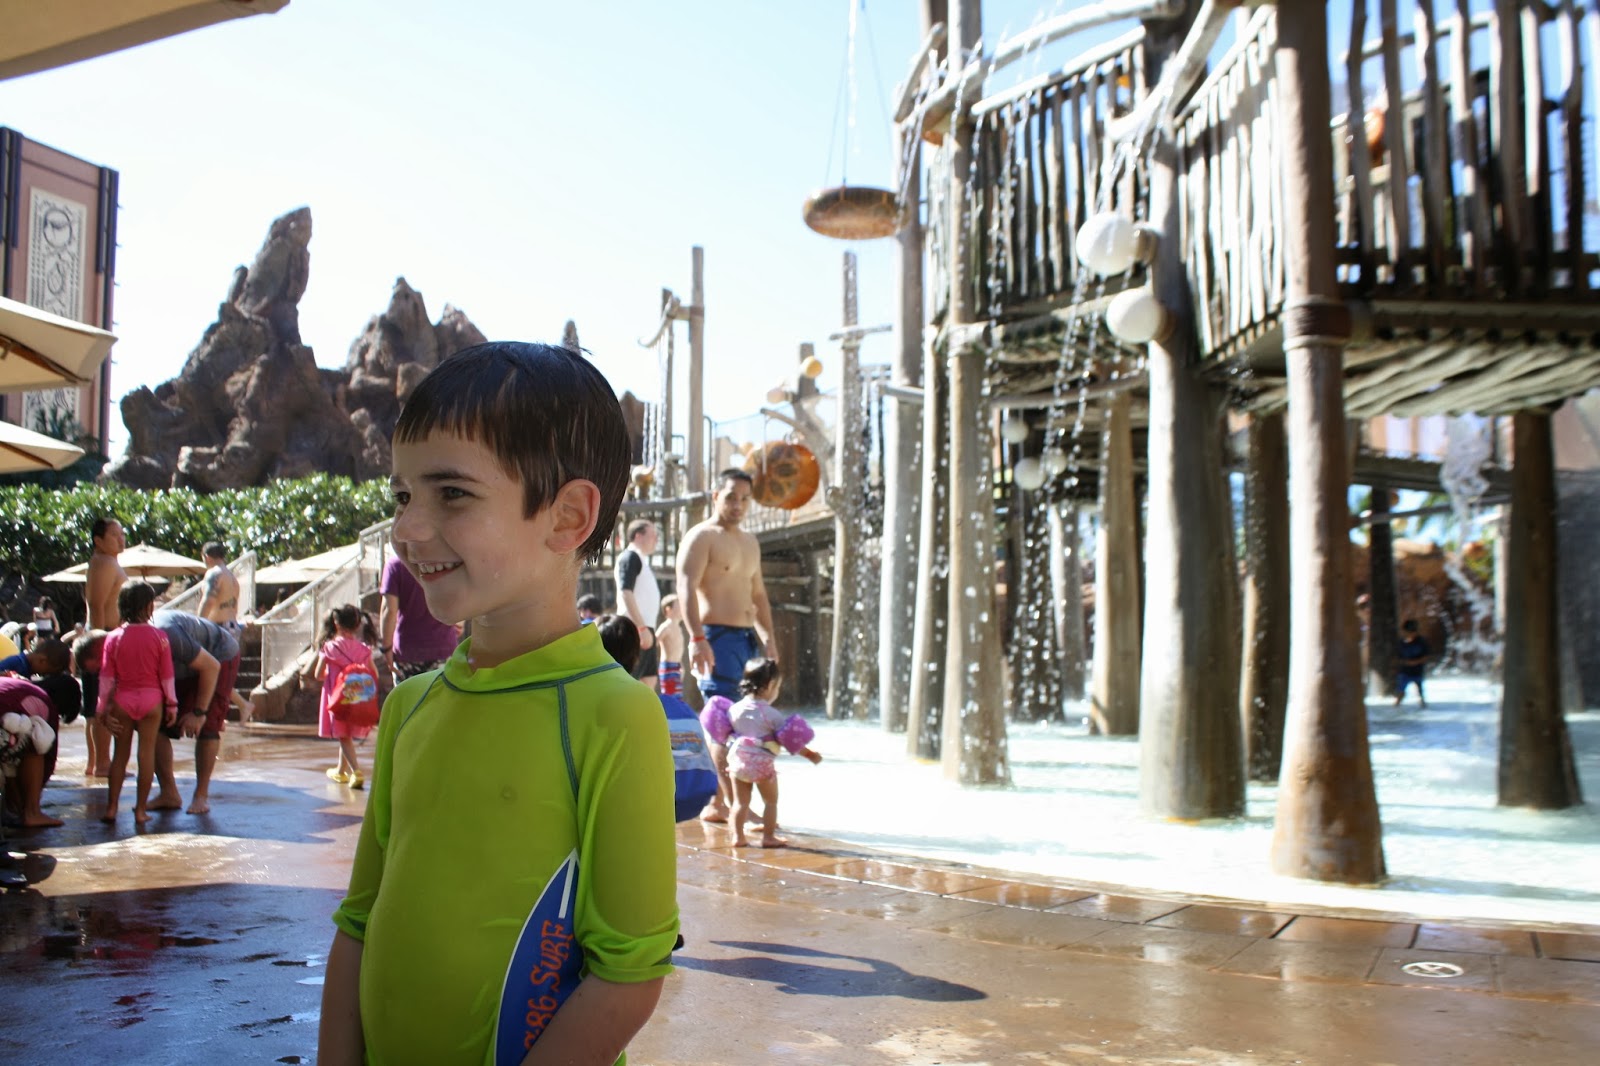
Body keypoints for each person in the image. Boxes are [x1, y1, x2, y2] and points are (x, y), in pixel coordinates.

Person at [319, 341, 678, 1066]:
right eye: (402, 495)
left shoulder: (614, 715)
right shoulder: (409, 707)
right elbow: (359, 921)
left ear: (567, 516)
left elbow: (628, 973)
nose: (407, 528)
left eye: (451, 493)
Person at [676, 468, 777, 822]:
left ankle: (726, 803)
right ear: (716, 495)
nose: (738, 505)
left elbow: (759, 595)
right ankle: (729, 804)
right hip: (715, 637)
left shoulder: (750, 542)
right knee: (722, 722)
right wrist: (696, 638)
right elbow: (686, 587)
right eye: (732, 497)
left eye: (745, 499)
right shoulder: (701, 537)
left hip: (747, 640)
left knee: (748, 721)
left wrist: (769, 640)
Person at [96, 581, 178, 825]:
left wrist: (102, 708)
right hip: (152, 701)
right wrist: (172, 704)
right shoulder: (160, 637)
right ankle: (141, 810)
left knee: (120, 755)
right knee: (146, 754)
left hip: (123, 699)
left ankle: (112, 808)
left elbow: (107, 678)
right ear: (149, 606)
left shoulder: (113, 638)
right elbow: (167, 676)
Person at [719, 658, 820, 849]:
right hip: (761, 764)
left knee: (740, 803)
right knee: (771, 802)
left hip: (738, 760)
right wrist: (810, 755)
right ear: (770, 685)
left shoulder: (734, 709)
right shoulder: (772, 715)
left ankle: (738, 837)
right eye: (777, 687)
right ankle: (768, 837)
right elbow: (790, 741)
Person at [83, 516, 127, 779]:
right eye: (114, 535)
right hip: (104, 637)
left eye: (122, 534)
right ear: (98, 540)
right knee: (104, 704)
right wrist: (101, 643)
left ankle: (96, 762)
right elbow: (96, 605)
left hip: (105, 637)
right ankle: (102, 763)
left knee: (97, 706)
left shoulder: (106, 561)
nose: (121, 539)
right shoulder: (103, 562)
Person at [315, 604, 378, 788]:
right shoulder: (363, 649)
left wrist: (330, 676)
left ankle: (356, 772)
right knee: (346, 734)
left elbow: (318, 674)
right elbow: (373, 673)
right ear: (357, 624)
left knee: (343, 736)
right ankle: (340, 770)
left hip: (338, 699)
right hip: (357, 698)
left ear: (336, 623)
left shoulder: (330, 647)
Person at [378, 551, 459, 682]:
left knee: (408, 694)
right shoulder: (446, 562)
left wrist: (386, 649)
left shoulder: (395, 565)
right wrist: (459, 622)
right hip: (444, 648)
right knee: (440, 694)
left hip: (407, 652)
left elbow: (389, 610)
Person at [614, 519, 661, 690]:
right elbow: (626, 592)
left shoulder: (641, 559)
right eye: (653, 535)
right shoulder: (630, 556)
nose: (656, 539)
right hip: (634, 629)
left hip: (646, 628)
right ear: (638, 536)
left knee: (649, 681)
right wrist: (641, 628)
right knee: (629, 683)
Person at [654, 594, 687, 697]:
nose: (682, 609)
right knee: (670, 697)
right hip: (668, 667)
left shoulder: (679, 628)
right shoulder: (665, 627)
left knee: (677, 696)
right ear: (668, 610)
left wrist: (681, 665)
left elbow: (678, 650)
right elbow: (654, 642)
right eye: (679, 606)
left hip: (677, 667)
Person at [1395, 619, 1431, 708]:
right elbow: (1398, 656)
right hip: (1404, 670)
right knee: (1401, 688)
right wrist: (1404, 662)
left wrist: (1416, 662)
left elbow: (1426, 656)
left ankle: (1423, 704)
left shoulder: (1421, 642)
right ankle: (1397, 705)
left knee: (1420, 689)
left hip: (1417, 670)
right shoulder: (1401, 643)